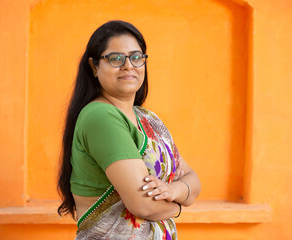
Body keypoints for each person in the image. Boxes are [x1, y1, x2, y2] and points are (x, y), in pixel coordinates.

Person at [57, 20, 201, 239]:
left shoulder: (148, 119)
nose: (128, 65)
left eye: (136, 57)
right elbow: (143, 205)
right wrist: (180, 206)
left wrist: (174, 191)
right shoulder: (101, 116)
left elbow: (193, 178)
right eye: (115, 58)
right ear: (94, 67)